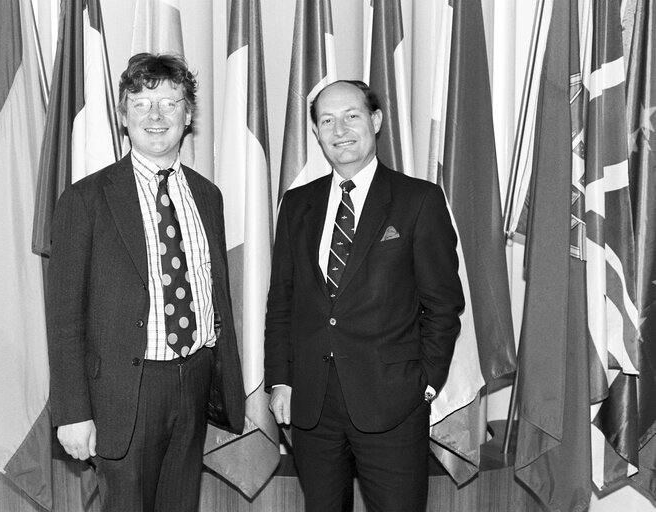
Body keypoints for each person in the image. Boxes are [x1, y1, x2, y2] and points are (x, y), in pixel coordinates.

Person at [46, 52, 245, 512]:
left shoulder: (207, 196)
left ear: (188, 114)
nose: (156, 117)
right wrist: (73, 412)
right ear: (123, 116)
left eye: (170, 104)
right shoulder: (86, 199)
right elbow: (63, 317)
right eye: (141, 105)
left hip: (194, 380)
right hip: (123, 393)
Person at [265, 80, 465, 512]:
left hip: (392, 403)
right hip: (312, 405)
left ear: (375, 120)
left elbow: (444, 305)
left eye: (351, 116)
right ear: (316, 133)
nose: (340, 129)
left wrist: (425, 384)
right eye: (327, 120)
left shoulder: (419, 200)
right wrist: (280, 379)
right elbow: (281, 302)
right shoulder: (296, 204)